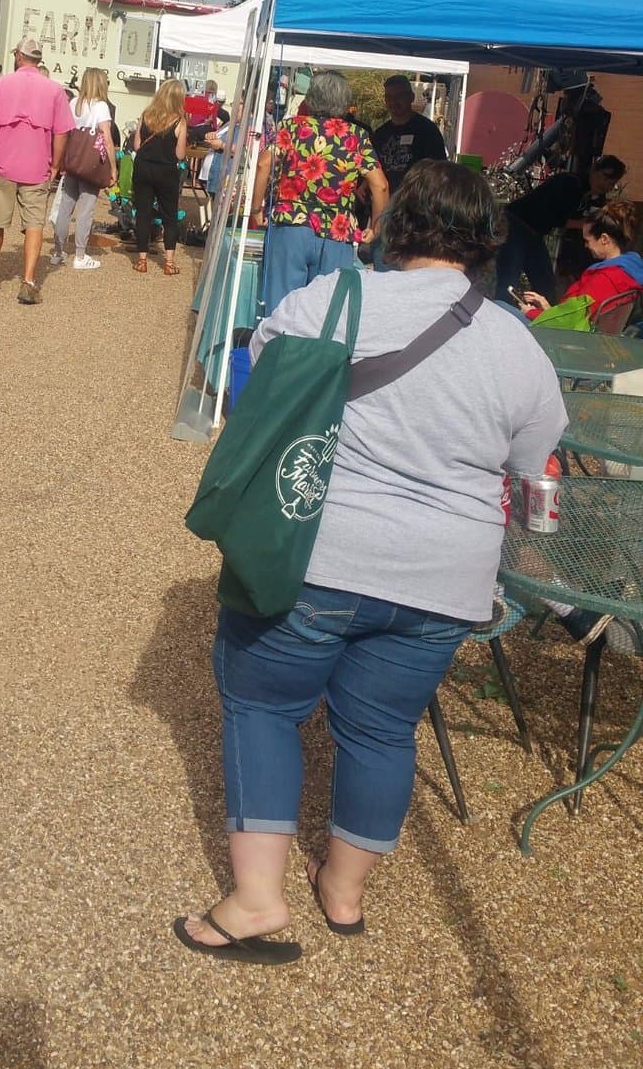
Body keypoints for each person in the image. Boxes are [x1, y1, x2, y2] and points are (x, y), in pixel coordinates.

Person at [174, 161, 567, 961]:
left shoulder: (326, 302)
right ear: (487, 238)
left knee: (264, 709)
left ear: (397, 225)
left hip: (314, 555)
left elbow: (261, 401)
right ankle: (343, 894)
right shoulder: (517, 346)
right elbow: (535, 476)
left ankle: (255, 900)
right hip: (446, 577)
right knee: (383, 732)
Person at [249, 70, 389, 318]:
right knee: (327, 314)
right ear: (345, 104)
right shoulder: (356, 137)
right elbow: (380, 186)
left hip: (291, 225)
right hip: (337, 231)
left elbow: (263, 164)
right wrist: (375, 227)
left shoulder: (291, 127)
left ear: (310, 99)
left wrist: (257, 209)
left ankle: (278, 353)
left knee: (281, 309)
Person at [0, 38, 74, 305]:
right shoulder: (55, 90)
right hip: (38, 165)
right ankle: (28, 282)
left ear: (18, 56)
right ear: (38, 60)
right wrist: (55, 164)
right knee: (34, 224)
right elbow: (62, 132)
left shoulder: (2, 84)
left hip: (4, 161)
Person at [497, 154, 626, 307]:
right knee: (508, 280)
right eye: (604, 177)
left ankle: (544, 318)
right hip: (516, 225)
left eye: (611, 183)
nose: (606, 185)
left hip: (534, 233)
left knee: (546, 284)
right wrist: (583, 224)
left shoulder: (591, 197)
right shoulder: (570, 183)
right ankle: (499, 314)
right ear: (593, 170)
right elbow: (552, 217)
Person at [518, 200, 643, 322]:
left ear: (604, 239)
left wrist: (531, 313)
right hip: (573, 330)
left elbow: (570, 323)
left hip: (563, 333)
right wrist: (547, 307)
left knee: (503, 306)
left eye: (588, 240)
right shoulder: (627, 274)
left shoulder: (605, 279)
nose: (586, 246)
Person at [51, 67, 118, 272]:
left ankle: (58, 251)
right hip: (90, 163)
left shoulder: (74, 103)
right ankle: (80, 255)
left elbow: (64, 130)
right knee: (86, 209)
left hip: (73, 159)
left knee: (66, 206)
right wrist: (113, 167)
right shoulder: (101, 106)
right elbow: (106, 138)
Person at [131, 79, 188, 276]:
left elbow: (137, 145)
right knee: (169, 216)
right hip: (167, 171)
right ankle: (169, 263)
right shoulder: (179, 121)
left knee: (143, 213)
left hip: (144, 168)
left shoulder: (146, 115)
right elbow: (180, 155)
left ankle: (142, 260)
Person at [371, 75, 447, 193]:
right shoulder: (380, 134)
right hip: (386, 203)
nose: (393, 101)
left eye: (399, 96)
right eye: (389, 97)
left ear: (411, 97)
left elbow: (438, 171)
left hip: (416, 202)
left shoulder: (427, 131)